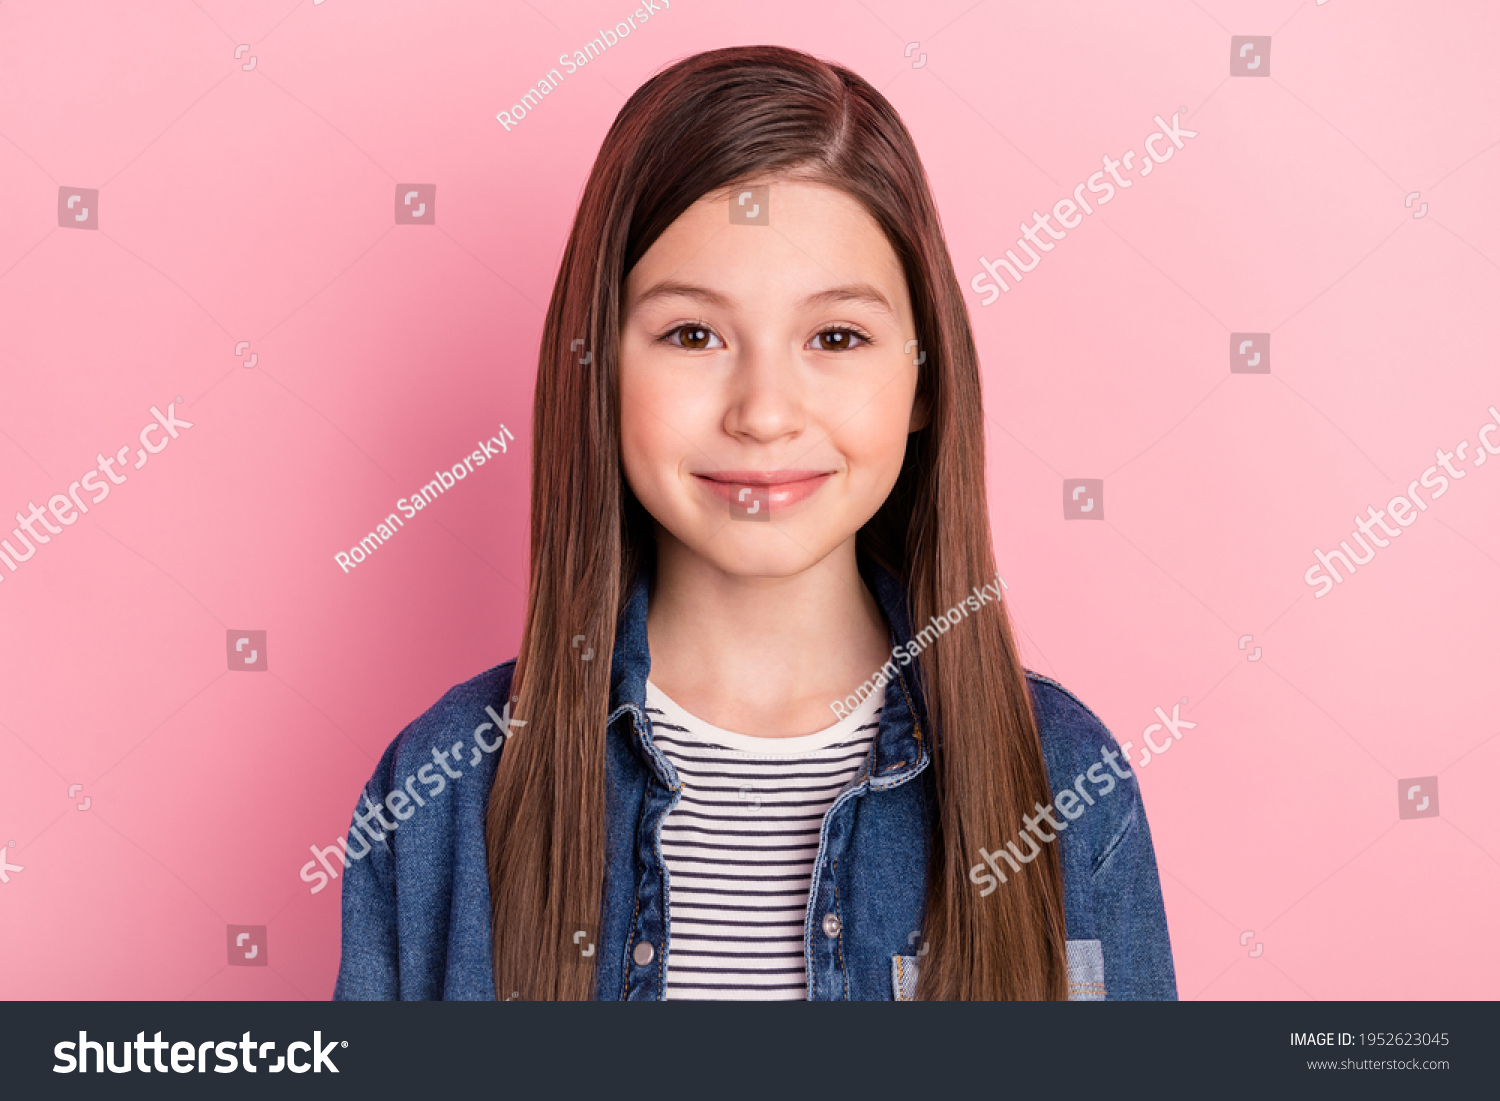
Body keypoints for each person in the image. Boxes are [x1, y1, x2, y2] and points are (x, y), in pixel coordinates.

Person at [333, 44, 1175, 1001]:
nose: (765, 411)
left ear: (923, 378)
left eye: (836, 337)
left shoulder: (1064, 780)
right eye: (693, 334)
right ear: (599, 369)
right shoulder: (443, 788)